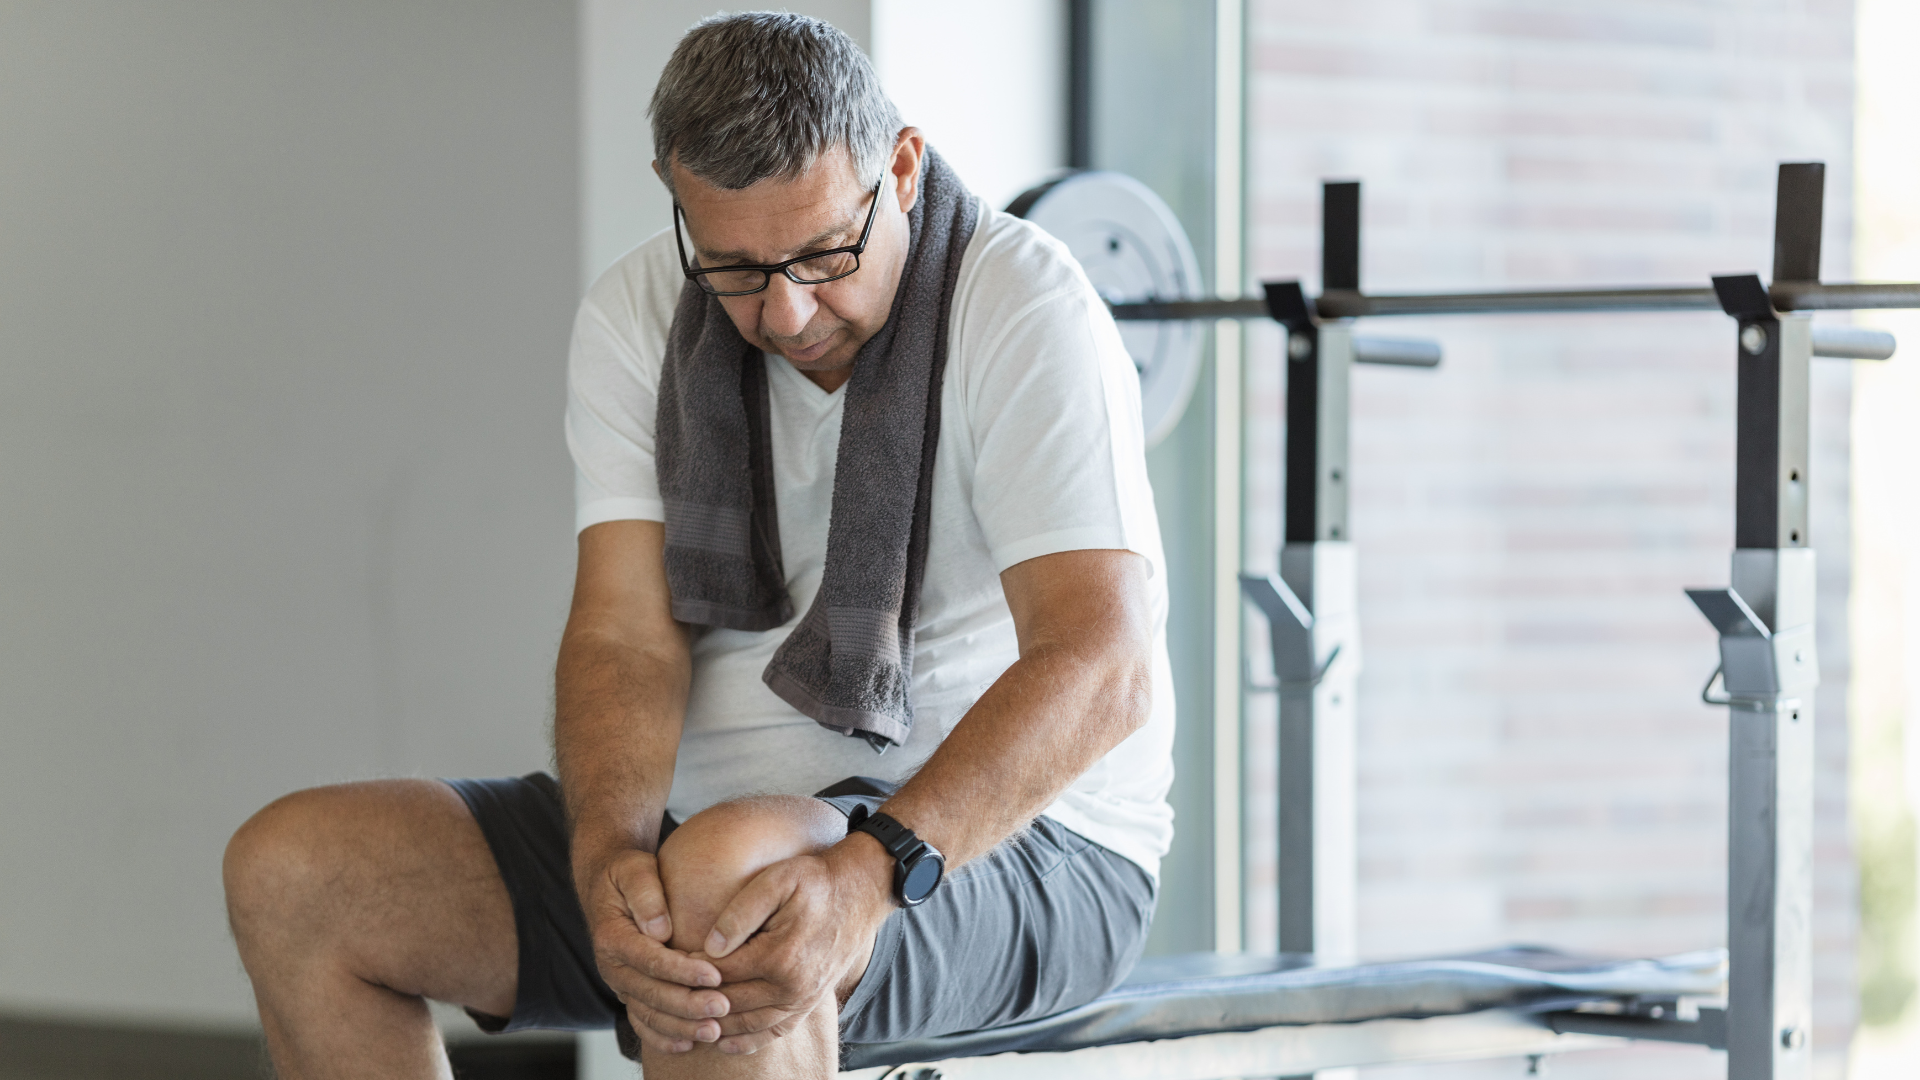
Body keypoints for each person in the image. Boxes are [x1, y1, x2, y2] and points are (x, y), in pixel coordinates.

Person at [221, 12, 1175, 1078]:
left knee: (731, 896)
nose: (787, 313)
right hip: (699, 834)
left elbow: (1102, 663)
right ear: (675, 196)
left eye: (825, 253)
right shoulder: (636, 313)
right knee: (298, 872)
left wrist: (871, 871)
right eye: (734, 266)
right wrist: (607, 860)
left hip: (1008, 847)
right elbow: (626, 635)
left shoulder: (1022, 305)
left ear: (902, 168)